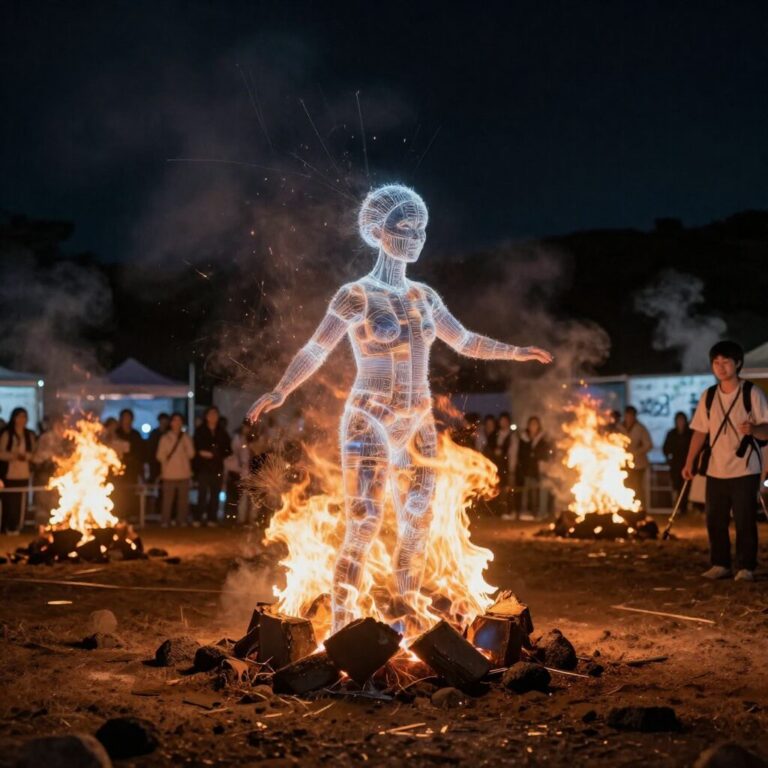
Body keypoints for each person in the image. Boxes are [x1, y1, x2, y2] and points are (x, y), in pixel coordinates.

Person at [247, 183, 552, 632]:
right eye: (403, 227)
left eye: (421, 229)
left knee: (418, 523)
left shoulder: (424, 297)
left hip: (418, 420)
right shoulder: (355, 295)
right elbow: (316, 349)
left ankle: (407, 612)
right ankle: (342, 625)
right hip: (370, 417)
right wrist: (281, 390)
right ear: (375, 232)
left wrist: (515, 351)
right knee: (364, 523)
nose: (414, 237)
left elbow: (465, 340)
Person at [683, 341, 768, 581]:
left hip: (745, 467)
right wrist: (689, 461)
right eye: (716, 362)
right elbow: (700, 431)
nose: (720, 367)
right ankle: (720, 563)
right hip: (715, 469)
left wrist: (754, 428)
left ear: (738, 363)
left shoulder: (752, 393)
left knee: (745, 520)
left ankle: (746, 567)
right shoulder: (709, 396)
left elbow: (767, 430)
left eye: (726, 362)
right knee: (715, 520)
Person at [0, 407, 37, 534]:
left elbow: (34, 453)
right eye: (19, 417)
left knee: (21, 503)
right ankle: (7, 527)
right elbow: (1, 453)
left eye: (24, 417)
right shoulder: (7, 434)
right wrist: (14, 455)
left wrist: (26, 456)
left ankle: (17, 527)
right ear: (14, 418)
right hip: (9, 474)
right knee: (8, 502)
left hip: (24, 474)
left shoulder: (29, 435)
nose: (22, 420)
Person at [193, 406, 231, 525]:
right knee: (202, 494)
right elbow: (195, 447)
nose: (213, 416)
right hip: (203, 467)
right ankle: (198, 518)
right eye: (211, 414)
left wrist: (218, 454)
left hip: (217, 467)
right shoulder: (200, 430)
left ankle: (212, 518)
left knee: (215, 494)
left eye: (215, 414)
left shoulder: (222, 432)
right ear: (206, 416)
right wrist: (201, 452)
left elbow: (228, 450)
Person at [156, 412, 195, 526]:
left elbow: (191, 454)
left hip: (184, 473)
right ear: (171, 422)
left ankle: (181, 520)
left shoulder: (186, 437)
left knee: (183, 500)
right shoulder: (165, 438)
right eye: (174, 420)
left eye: (179, 420)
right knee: (168, 500)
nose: (177, 423)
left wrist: (186, 442)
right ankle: (165, 520)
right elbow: (159, 456)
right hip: (169, 473)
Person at [32, 414, 69, 525]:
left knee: (57, 499)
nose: (61, 426)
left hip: (61, 473)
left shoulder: (67, 437)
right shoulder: (46, 437)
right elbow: (39, 455)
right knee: (43, 499)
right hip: (45, 472)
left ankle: (57, 524)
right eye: (58, 423)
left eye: (63, 424)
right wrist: (54, 456)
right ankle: (42, 525)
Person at [515, 416, 551, 519]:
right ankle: (525, 512)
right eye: (531, 424)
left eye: (535, 424)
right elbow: (520, 454)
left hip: (539, 469)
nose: (533, 426)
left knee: (539, 491)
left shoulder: (542, 439)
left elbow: (545, 454)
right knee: (526, 492)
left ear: (538, 426)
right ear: (528, 425)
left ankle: (539, 513)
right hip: (526, 469)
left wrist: (536, 457)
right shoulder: (524, 438)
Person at [113, 409, 146, 521]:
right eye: (124, 417)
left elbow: (141, 452)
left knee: (131, 492)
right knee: (118, 493)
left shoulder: (135, 434)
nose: (126, 420)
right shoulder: (116, 433)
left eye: (129, 417)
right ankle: (119, 515)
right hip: (117, 468)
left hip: (132, 469)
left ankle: (130, 516)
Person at [620, 406, 652, 510]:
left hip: (638, 464)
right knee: (624, 486)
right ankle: (625, 508)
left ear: (634, 416)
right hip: (622, 463)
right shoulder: (619, 427)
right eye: (627, 415)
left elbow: (648, 444)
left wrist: (636, 452)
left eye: (631, 415)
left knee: (637, 487)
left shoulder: (640, 428)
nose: (629, 417)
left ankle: (640, 509)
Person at [225, 420, 254, 524]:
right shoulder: (237, 438)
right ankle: (239, 518)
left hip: (250, 470)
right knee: (240, 496)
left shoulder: (252, 439)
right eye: (246, 427)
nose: (247, 429)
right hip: (239, 471)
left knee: (250, 496)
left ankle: (250, 518)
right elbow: (235, 452)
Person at [663, 411, 693, 511]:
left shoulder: (690, 433)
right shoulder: (671, 434)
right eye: (678, 420)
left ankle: (683, 508)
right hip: (675, 464)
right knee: (676, 486)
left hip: (686, 463)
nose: (680, 422)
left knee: (685, 487)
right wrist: (668, 458)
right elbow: (666, 448)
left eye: (682, 420)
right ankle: (676, 507)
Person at [490, 412, 516, 514]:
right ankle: (498, 511)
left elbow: (513, 452)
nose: (503, 423)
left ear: (508, 422)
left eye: (505, 421)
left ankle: (508, 511)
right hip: (497, 466)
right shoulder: (496, 434)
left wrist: (511, 468)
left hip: (507, 466)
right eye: (502, 421)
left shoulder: (512, 436)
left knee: (508, 490)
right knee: (497, 489)